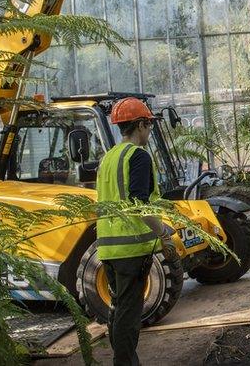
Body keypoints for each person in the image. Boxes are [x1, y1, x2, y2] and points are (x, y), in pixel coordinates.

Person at [96, 97, 175, 365]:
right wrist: (163, 233)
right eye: (149, 126)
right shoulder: (137, 156)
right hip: (130, 250)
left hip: (107, 248)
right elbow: (139, 202)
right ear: (140, 124)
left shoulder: (108, 158)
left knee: (118, 309)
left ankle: (128, 360)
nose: (150, 132)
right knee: (129, 314)